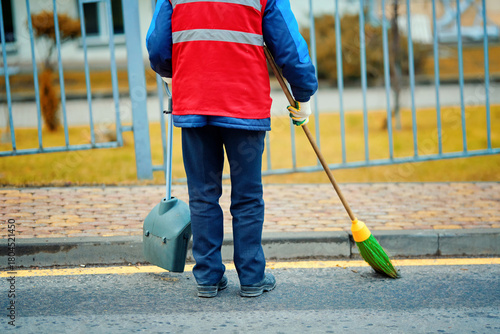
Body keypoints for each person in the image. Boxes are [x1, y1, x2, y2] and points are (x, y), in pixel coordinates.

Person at [146, 0, 318, 298]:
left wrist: (172, 72)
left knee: (202, 194)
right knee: (248, 197)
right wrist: (304, 93)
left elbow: (159, 46)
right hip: (244, 105)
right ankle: (252, 277)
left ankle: (208, 278)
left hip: (195, 103)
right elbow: (288, 46)